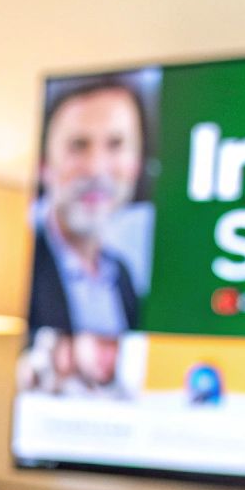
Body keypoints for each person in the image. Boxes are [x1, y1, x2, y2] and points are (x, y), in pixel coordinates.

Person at [28, 78, 146, 338]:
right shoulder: (17, 263)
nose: (96, 169)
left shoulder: (124, 276)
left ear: (136, 164)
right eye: (78, 145)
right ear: (44, 165)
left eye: (116, 144)